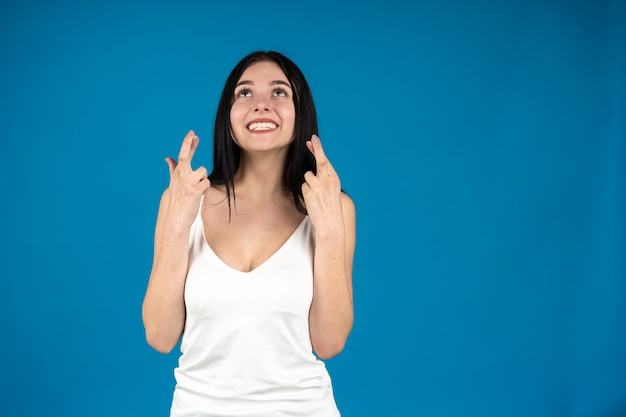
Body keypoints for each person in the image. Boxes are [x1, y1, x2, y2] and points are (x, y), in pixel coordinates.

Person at [141, 50, 356, 417]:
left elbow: (329, 342)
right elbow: (160, 336)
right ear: (228, 115)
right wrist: (178, 224)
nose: (260, 105)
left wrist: (331, 231)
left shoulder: (333, 208)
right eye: (244, 93)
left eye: (279, 93)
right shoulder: (182, 200)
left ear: (300, 113)